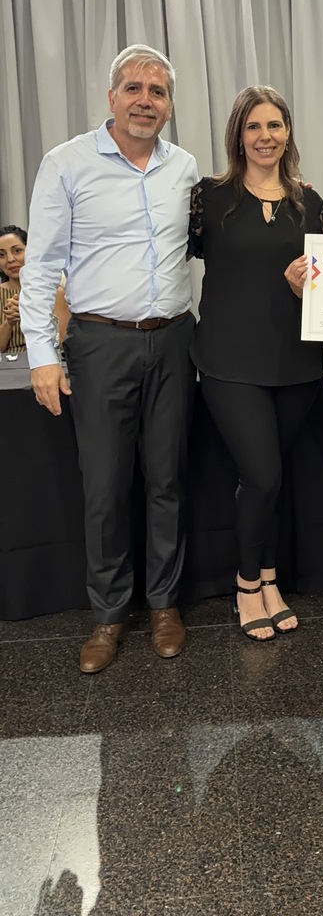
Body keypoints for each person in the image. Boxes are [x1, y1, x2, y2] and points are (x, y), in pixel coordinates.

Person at [20, 45, 198, 673]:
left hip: (174, 339)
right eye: (134, 88)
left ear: (169, 104)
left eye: (157, 91)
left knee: (168, 479)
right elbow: (40, 266)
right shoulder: (66, 163)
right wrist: (42, 355)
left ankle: (165, 605)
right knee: (104, 486)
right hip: (98, 343)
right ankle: (107, 614)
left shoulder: (184, 168)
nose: (145, 101)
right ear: (112, 97)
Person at [188, 86, 323, 641]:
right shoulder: (209, 197)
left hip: (297, 362)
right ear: (237, 135)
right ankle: (247, 585)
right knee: (261, 474)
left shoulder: (310, 203)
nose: (264, 137)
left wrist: (304, 286)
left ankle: (269, 578)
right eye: (253, 126)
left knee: (273, 478)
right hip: (228, 361)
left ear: (287, 133)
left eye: (274, 126)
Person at [0, 225, 70, 355]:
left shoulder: (54, 292)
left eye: (17, 251)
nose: (10, 259)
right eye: (1, 255)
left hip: (47, 360)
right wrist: (9, 322)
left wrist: (32, 313)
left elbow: (63, 344)